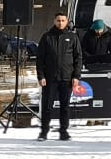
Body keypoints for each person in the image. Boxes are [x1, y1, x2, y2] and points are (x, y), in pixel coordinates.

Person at [33, 11, 82, 141]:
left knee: (65, 106)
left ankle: (64, 131)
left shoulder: (72, 37)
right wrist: (41, 76)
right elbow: (40, 59)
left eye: (63, 20)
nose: (60, 23)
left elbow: (78, 58)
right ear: (54, 21)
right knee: (47, 106)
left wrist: (76, 76)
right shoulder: (47, 37)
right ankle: (44, 132)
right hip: (50, 79)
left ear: (66, 22)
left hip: (67, 78)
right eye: (58, 20)